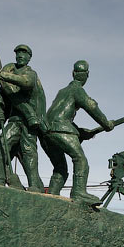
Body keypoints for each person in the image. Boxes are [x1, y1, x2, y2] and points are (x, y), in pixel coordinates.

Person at [42, 60, 115, 203]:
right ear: (87, 75)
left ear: (73, 73)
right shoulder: (77, 90)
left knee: (60, 167)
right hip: (59, 128)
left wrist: (80, 132)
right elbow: (91, 107)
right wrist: (106, 124)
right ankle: (79, 192)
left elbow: (59, 114)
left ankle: (51, 196)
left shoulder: (62, 91)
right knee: (80, 159)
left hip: (46, 131)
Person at [0, 44, 47, 192]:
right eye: (18, 53)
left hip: (30, 121)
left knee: (29, 153)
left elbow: (26, 83)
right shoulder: (7, 76)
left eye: (24, 53)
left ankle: (34, 186)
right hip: (15, 120)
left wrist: (1, 75)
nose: (20, 56)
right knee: (0, 147)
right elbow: (0, 99)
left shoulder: (31, 74)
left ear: (29, 57)